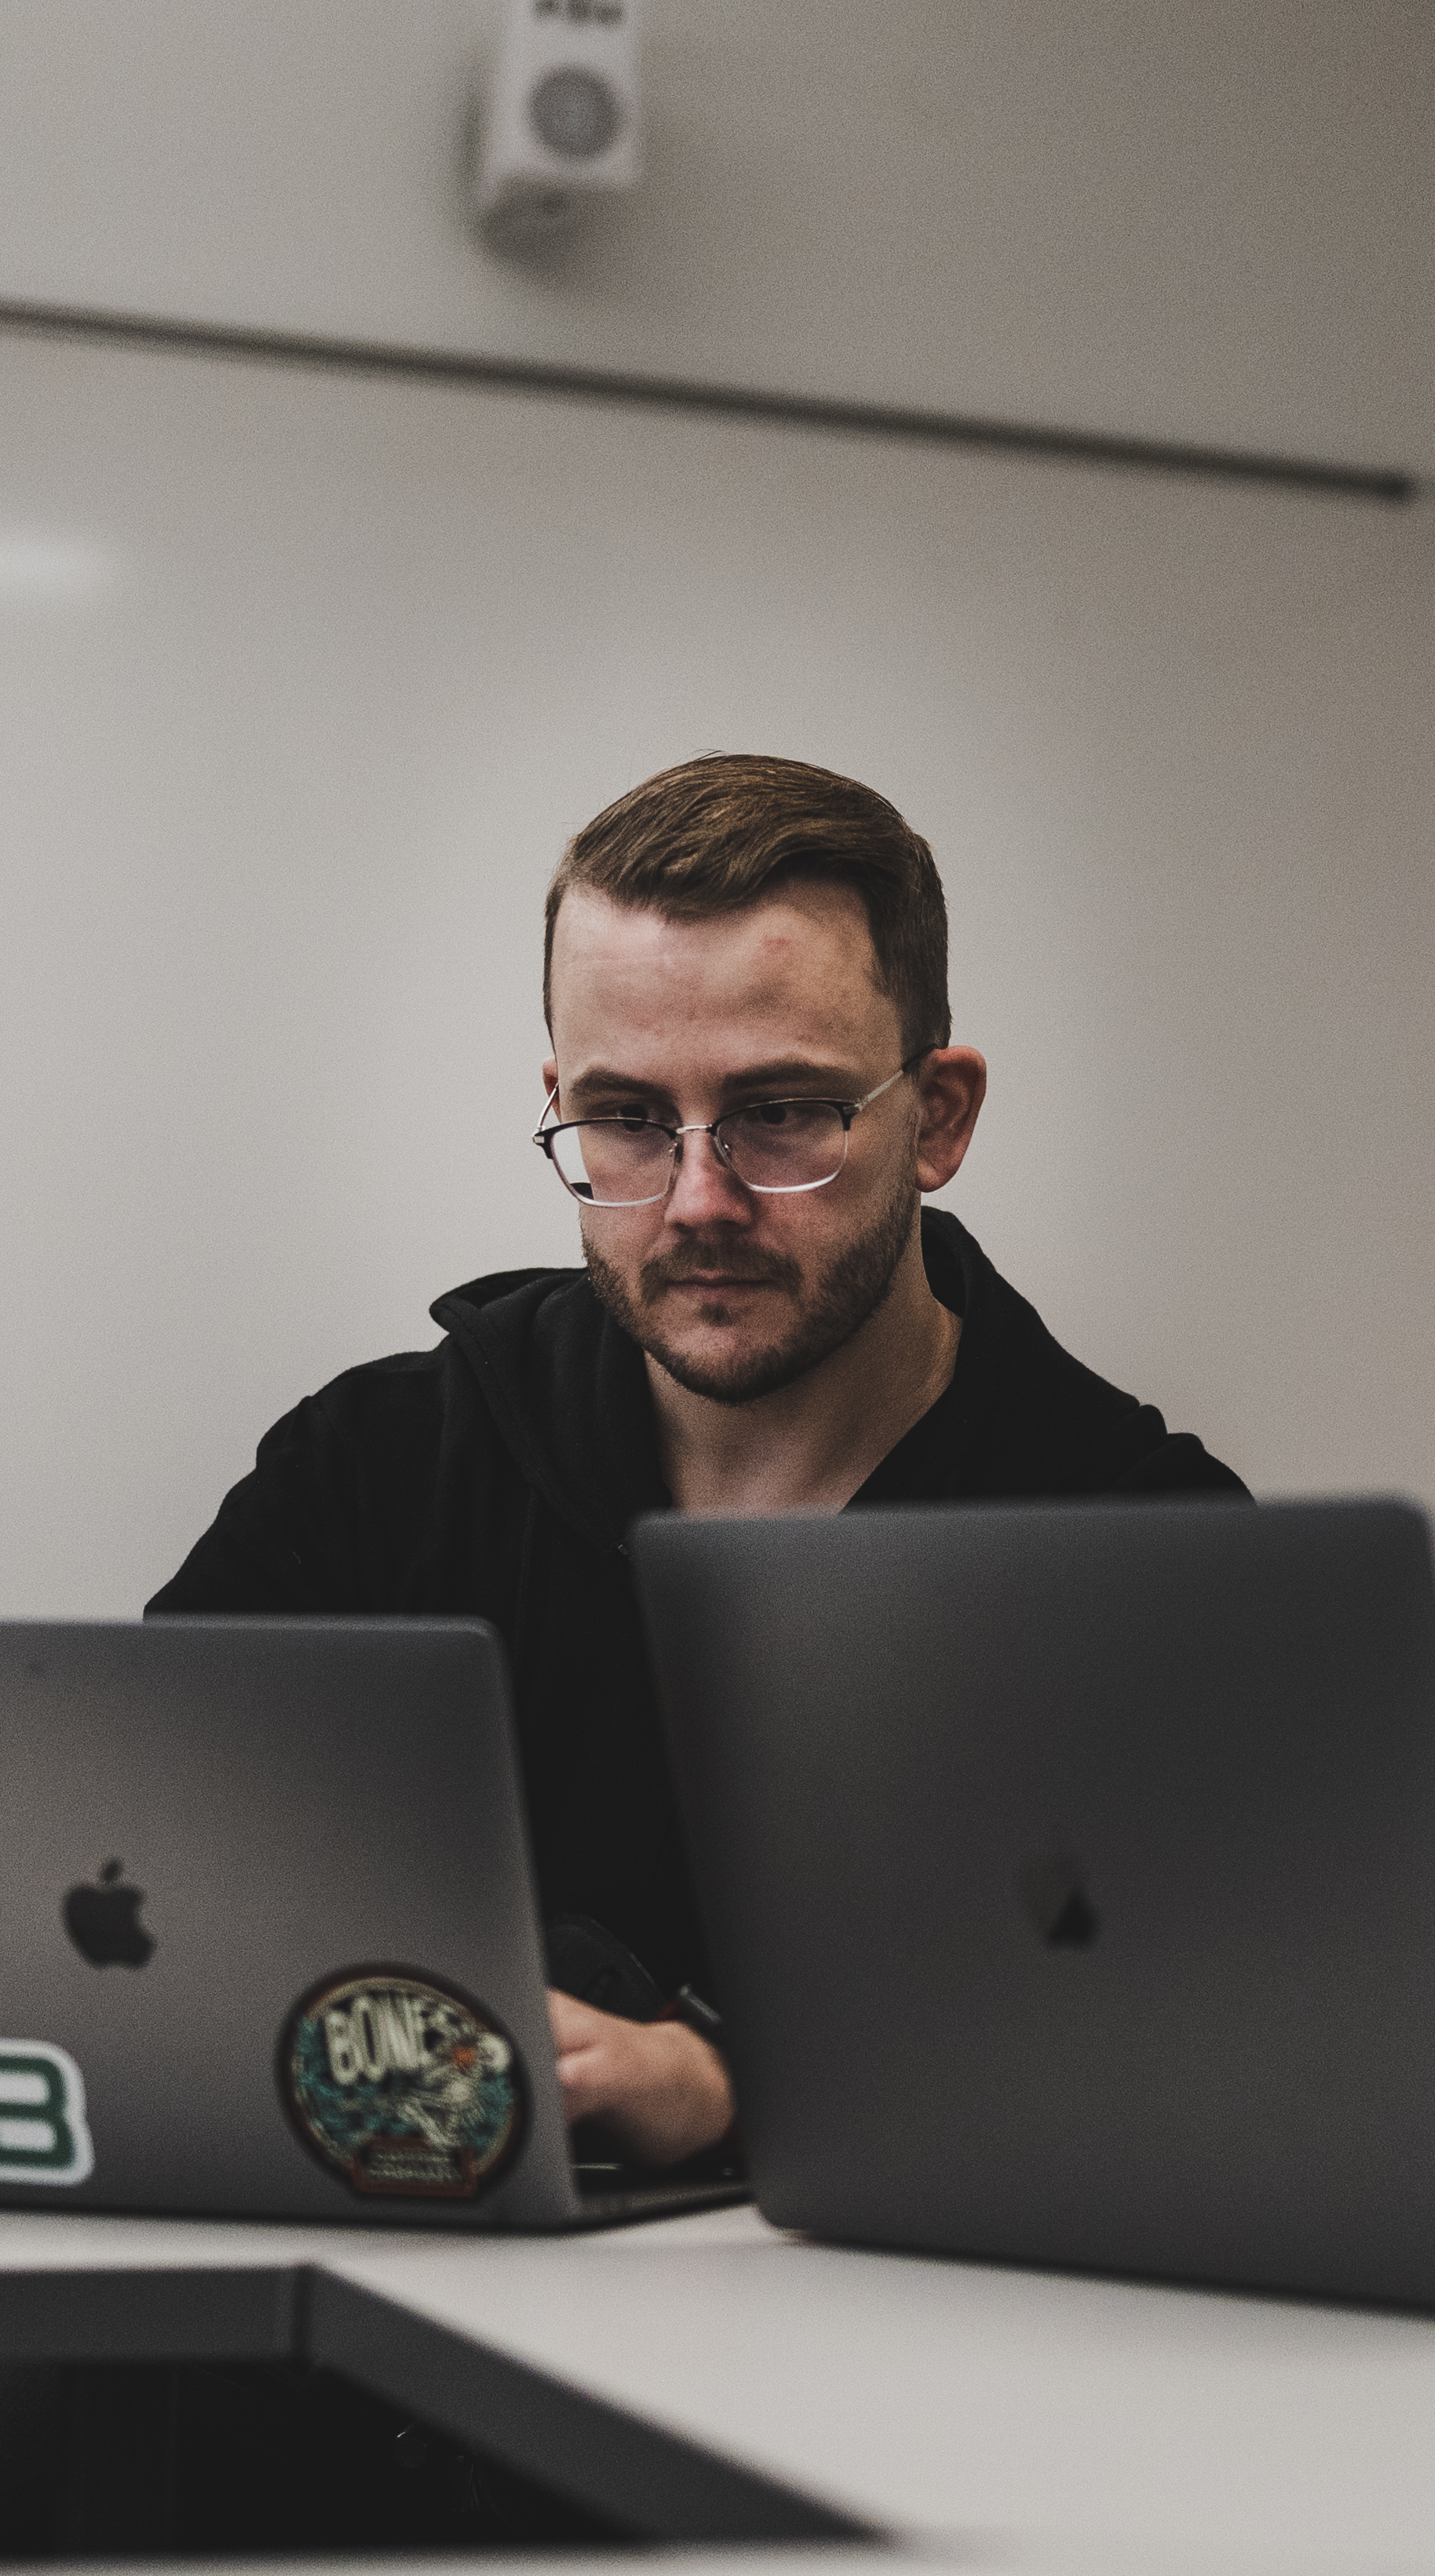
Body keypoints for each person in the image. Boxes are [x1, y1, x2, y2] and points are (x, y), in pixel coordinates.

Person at [148, 751, 1243, 2169]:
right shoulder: (377, 1468)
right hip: (355, 2294)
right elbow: (148, 1903)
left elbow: (1205, 2058)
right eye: (627, 1119)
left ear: (941, 1118)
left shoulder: (1150, 1553)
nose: (697, 1201)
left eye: (780, 1113)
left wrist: (741, 2091)